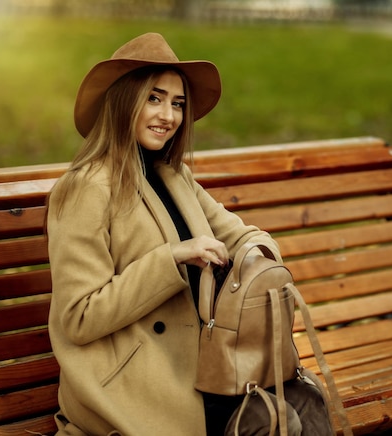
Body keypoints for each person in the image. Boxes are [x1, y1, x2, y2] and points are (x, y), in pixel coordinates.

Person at [46, 32, 281, 435]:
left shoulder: (173, 175)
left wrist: (259, 261)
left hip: (206, 372)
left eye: (177, 104)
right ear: (123, 101)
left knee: (289, 418)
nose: (168, 116)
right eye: (154, 98)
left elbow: (241, 235)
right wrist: (171, 257)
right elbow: (79, 317)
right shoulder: (86, 187)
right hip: (131, 391)